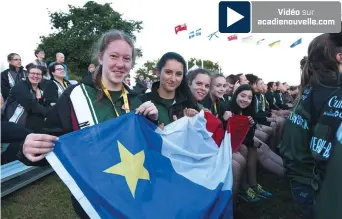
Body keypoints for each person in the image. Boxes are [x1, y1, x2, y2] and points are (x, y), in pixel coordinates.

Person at [17, 29, 158, 219]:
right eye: (114, 56)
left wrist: (153, 123)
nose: (120, 64)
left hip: (135, 195)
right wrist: (28, 149)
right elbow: (52, 141)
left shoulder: (137, 101)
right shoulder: (75, 96)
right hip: (95, 202)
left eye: (126, 58)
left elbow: (151, 151)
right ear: (101, 57)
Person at [280, 28, 342, 218]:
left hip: (302, 180)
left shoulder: (314, 87)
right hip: (316, 186)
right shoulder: (332, 92)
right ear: (339, 56)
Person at [228, 84, 272, 202]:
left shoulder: (247, 111)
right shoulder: (228, 109)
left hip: (236, 143)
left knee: (252, 146)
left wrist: (250, 126)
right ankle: (244, 187)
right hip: (227, 144)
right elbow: (231, 136)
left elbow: (248, 137)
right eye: (242, 96)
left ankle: (253, 185)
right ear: (236, 94)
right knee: (247, 147)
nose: (245, 100)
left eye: (249, 98)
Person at [139, 52, 199, 128]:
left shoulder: (189, 103)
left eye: (178, 74)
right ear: (158, 72)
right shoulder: (142, 101)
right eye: (168, 72)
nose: (173, 79)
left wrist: (195, 120)